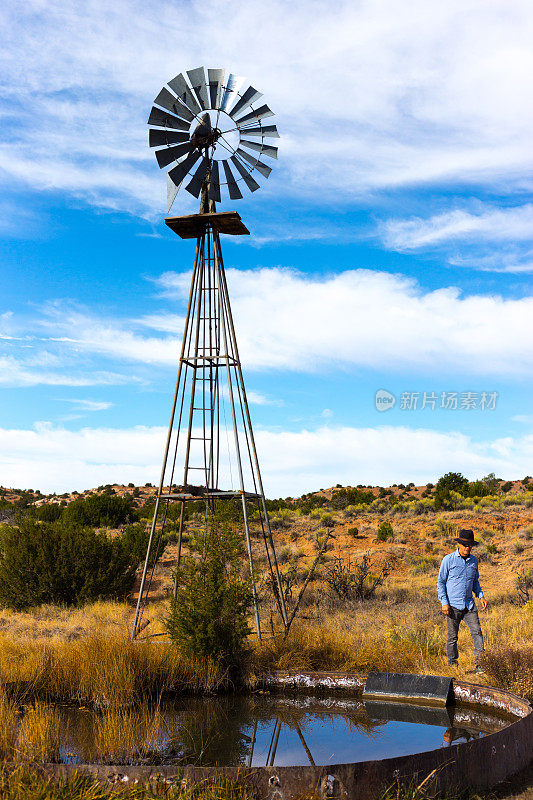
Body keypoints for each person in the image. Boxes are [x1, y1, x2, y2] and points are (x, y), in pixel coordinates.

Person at [437, 529, 487, 671]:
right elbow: (440, 582)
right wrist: (444, 603)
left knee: (477, 633)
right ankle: (453, 666)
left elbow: (475, 581)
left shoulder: (474, 561)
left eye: (470, 545)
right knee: (452, 637)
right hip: (452, 605)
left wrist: (481, 595)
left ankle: (481, 666)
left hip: (469, 605)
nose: (467, 548)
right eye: (464, 544)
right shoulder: (448, 560)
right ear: (459, 544)